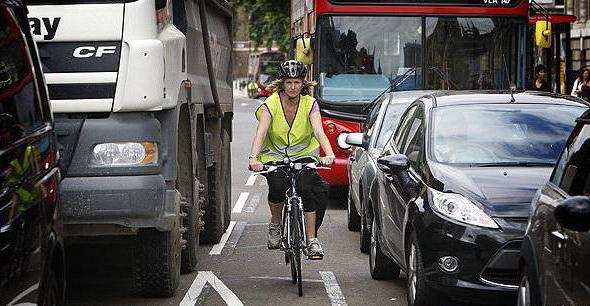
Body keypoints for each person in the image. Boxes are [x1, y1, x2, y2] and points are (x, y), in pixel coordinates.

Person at [248, 60, 335, 258]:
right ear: (282, 83)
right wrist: (254, 158)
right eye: (288, 82)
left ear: (303, 83)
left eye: (297, 82)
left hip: (305, 157)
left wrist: (328, 154)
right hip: (275, 157)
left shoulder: (310, 104)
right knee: (278, 186)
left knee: (306, 189)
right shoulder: (270, 104)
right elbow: (261, 133)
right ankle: (276, 224)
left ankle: (312, 240)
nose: (293, 87)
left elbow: (319, 132)